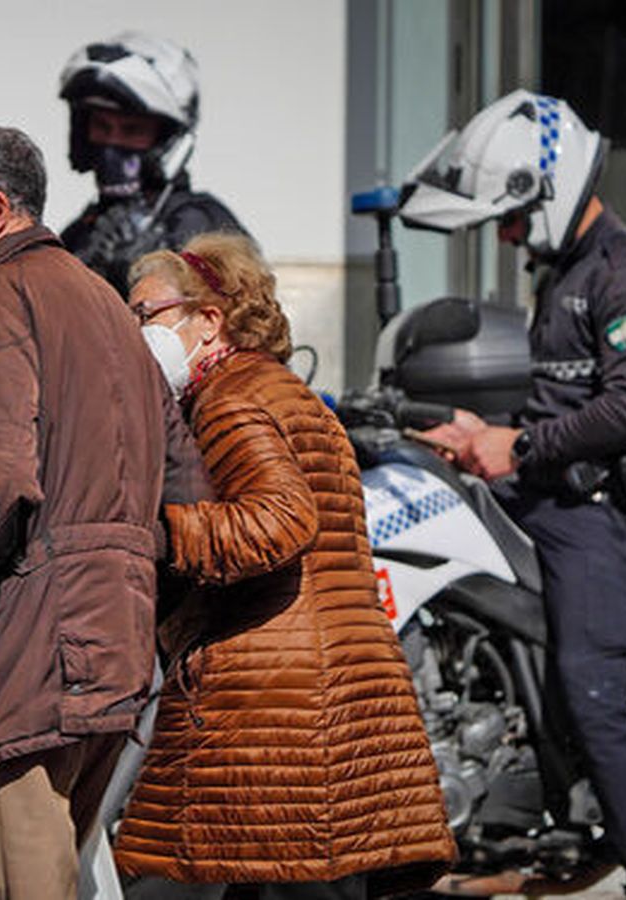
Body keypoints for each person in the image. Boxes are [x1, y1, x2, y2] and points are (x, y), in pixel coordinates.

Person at [401, 90, 626, 900]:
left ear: (548, 190)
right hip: (553, 497)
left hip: (604, 516)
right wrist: (476, 436)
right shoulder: (564, 271)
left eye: (507, 217)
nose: (503, 234)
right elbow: (562, 404)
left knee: (589, 688)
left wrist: (518, 445)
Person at [112, 233, 456, 899]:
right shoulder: (282, 391)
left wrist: (155, 530)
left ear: (208, 320)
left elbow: (280, 521)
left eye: (144, 315)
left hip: (271, 698)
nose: (133, 331)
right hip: (326, 687)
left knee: (193, 878)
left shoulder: (230, 401)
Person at [0, 125, 171, 900]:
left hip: (27, 644)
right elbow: (180, 482)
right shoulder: (105, 303)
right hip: (110, 636)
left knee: (14, 876)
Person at [57, 31, 250, 295]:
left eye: (131, 130)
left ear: (165, 138)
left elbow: (242, 323)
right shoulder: (80, 231)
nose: (112, 142)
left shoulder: (200, 224)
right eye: (101, 126)